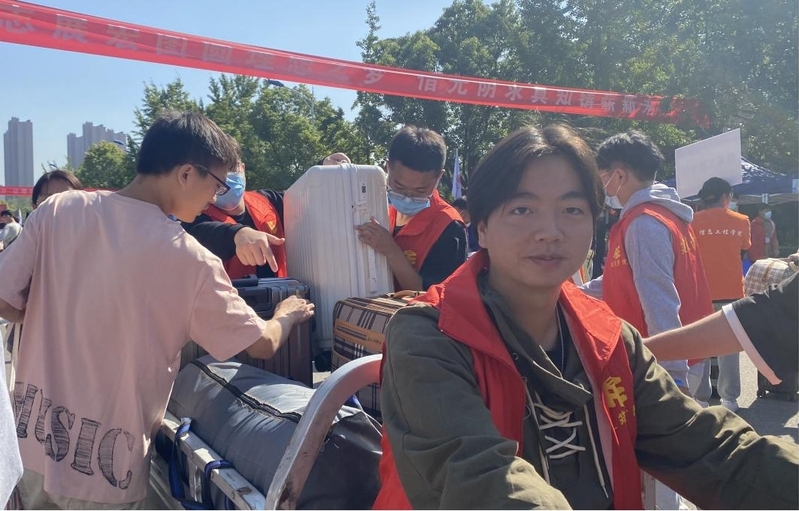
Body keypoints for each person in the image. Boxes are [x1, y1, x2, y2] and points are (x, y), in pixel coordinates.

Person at [373, 124, 797, 510]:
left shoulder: (612, 338)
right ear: (480, 228)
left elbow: (708, 449)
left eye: (572, 210)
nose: (550, 231)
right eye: (522, 210)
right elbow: (479, 476)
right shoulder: (427, 335)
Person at [0, 111, 314, 509]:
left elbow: (5, 299)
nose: (214, 198)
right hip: (105, 473)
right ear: (186, 174)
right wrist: (286, 314)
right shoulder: (189, 259)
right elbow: (261, 344)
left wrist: (51, 314)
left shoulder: (58, 210)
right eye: (216, 184)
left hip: (29, 448)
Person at [576, 130, 713, 510]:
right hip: (678, 353)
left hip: (662, 360)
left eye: (602, 176)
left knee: (657, 466)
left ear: (618, 175)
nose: (602, 187)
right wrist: (572, 292)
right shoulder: (664, 217)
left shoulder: (644, 223)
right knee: (663, 462)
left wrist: (673, 374)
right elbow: (620, 278)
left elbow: (659, 298)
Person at [183, 151, 353, 279]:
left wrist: (323, 169)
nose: (226, 179)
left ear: (243, 169)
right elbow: (198, 235)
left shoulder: (268, 200)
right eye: (220, 173)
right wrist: (237, 234)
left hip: (284, 301)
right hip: (236, 308)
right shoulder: (196, 214)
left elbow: (306, 195)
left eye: (231, 169)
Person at [356, 126, 467, 291]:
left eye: (420, 191)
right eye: (399, 187)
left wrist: (391, 251)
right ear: (387, 167)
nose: (407, 198)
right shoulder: (385, 213)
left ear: (439, 177)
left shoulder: (449, 227)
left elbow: (433, 298)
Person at [645, 270, 797, 387]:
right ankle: (729, 398)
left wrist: (639, 350)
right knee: (728, 362)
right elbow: (752, 321)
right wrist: (640, 350)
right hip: (730, 293)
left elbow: (753, 321)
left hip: (712, 294)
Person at [690, 177, 752, 411]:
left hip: (700, 292)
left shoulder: (691, 221)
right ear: (725, 197)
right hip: (732, 293)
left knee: (700, 346)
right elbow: (745, 246)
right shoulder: (741, 220)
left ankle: (700, 397)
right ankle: (729, 399)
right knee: (729, 347)